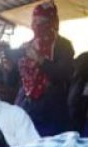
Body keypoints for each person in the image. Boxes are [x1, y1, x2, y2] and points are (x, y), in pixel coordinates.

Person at [16, 1, 74, 136]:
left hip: (52, 112)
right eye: (34, 20)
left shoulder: (63, 45)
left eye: (42, 20)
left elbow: (64, 74)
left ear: (52, 21)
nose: (37, 25)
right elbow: (17, 80)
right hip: (27, 107)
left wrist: (40, 59)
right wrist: (8, 67)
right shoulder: (27, 45)